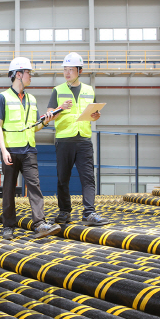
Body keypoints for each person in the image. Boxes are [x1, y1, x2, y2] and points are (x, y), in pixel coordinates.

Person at [0, 57, 61, 240]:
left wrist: (46, 122)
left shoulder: (31, 99)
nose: (31, 76)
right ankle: (8, 226)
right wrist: (4, 149)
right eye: (28, 72)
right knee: (8, 189)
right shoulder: (3, 97)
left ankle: (39, 224)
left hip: (29, 150)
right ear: (18, 75)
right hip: (11, 150)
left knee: (34, 187)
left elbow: (34, 126)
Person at [44, 52, 110, 226]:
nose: (67, 73)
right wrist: (61, 107)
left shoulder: (89, 90)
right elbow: (49, 114)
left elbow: (93, 114)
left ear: (79, 71)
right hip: (64, 139)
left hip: (84, 140)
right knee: (62, 178)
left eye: (71, 70)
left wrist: (96, 116)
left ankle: (89, 212)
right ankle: (64, 212)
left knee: (88, 178)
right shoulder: (58, 90)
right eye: (65, 70)